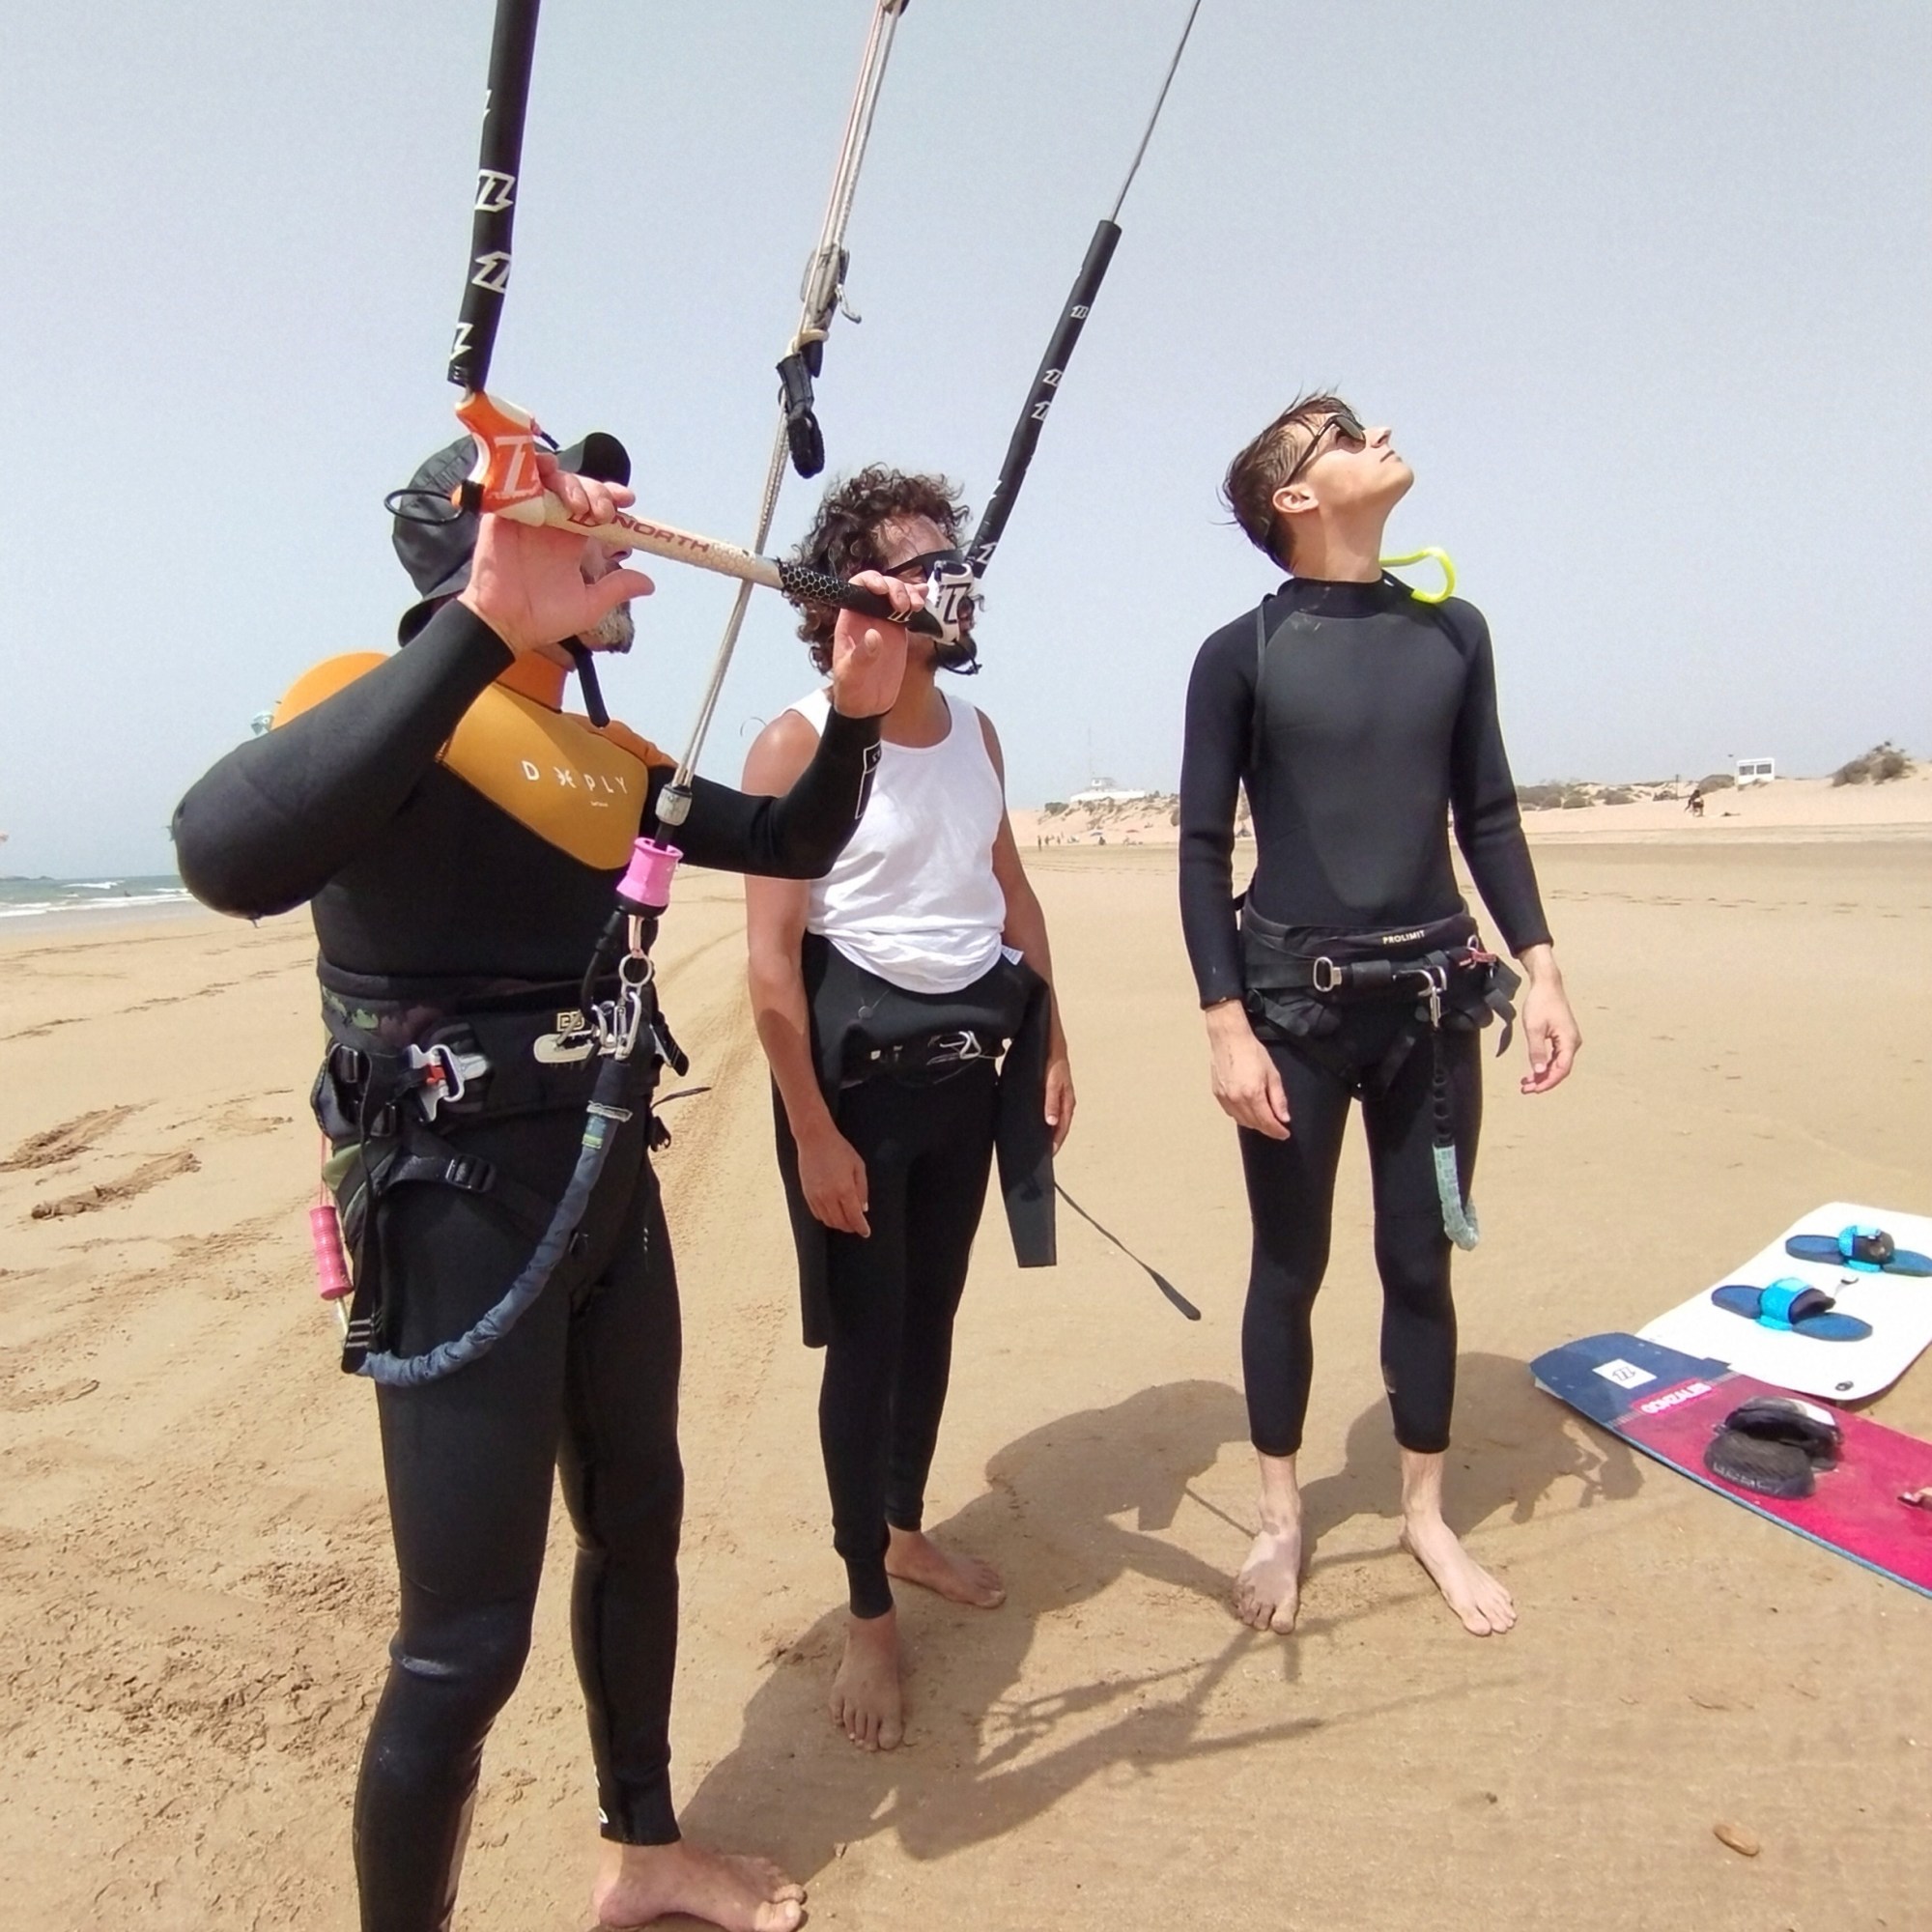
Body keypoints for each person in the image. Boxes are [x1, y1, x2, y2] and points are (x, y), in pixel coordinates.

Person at [172, 432, 921, 1932]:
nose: (611, 530)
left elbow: (788, 836)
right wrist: (476, 626)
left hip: (601, 1193)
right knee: (463, 1644)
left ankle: (642, 1851)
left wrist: (850, 717)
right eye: (559, 507)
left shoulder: (604, 758)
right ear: (474, 540)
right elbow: (221, 854)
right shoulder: (369, 703)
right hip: (447, 1204)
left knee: (639, 1516)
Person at [1179, 395, 1581, 1640]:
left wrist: (1543, 963)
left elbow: (1491, 816)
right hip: (1295, 1008)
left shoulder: (1453, 635)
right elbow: (1199, 848)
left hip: (1434, 1003)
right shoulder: (1240, 653)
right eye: (1340, 432)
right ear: (1293, 500)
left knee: (1419, 1258)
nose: (1377, 432)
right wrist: (1227, 1025)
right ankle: (1281, 1516)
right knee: (1288, 1268)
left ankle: (1423, 1513)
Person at [741, 467, 1073, 1752]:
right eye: (921, 562)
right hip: (858, 1099)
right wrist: (814, 1132)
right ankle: (866, 1608)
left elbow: (1011, 894)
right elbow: (771, 959)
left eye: (955, 557)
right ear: (856, 598)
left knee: (930, 1322)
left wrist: (1053, 1036)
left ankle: (901, 1525)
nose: (952, 578)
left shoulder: (978, 734)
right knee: (867, 1347)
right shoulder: (795, 744)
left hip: (968, 1079)